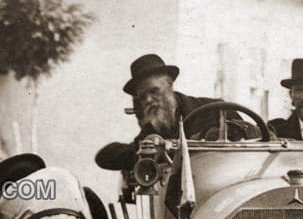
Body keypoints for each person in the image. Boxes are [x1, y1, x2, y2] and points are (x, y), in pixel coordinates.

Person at [95, 53, 226, 171]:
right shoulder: (150, 133)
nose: (148, 100)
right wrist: (148, 151)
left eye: (154, 91)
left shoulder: (216, 110)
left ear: (170, 85)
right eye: (142, 96)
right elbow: (104, 158)